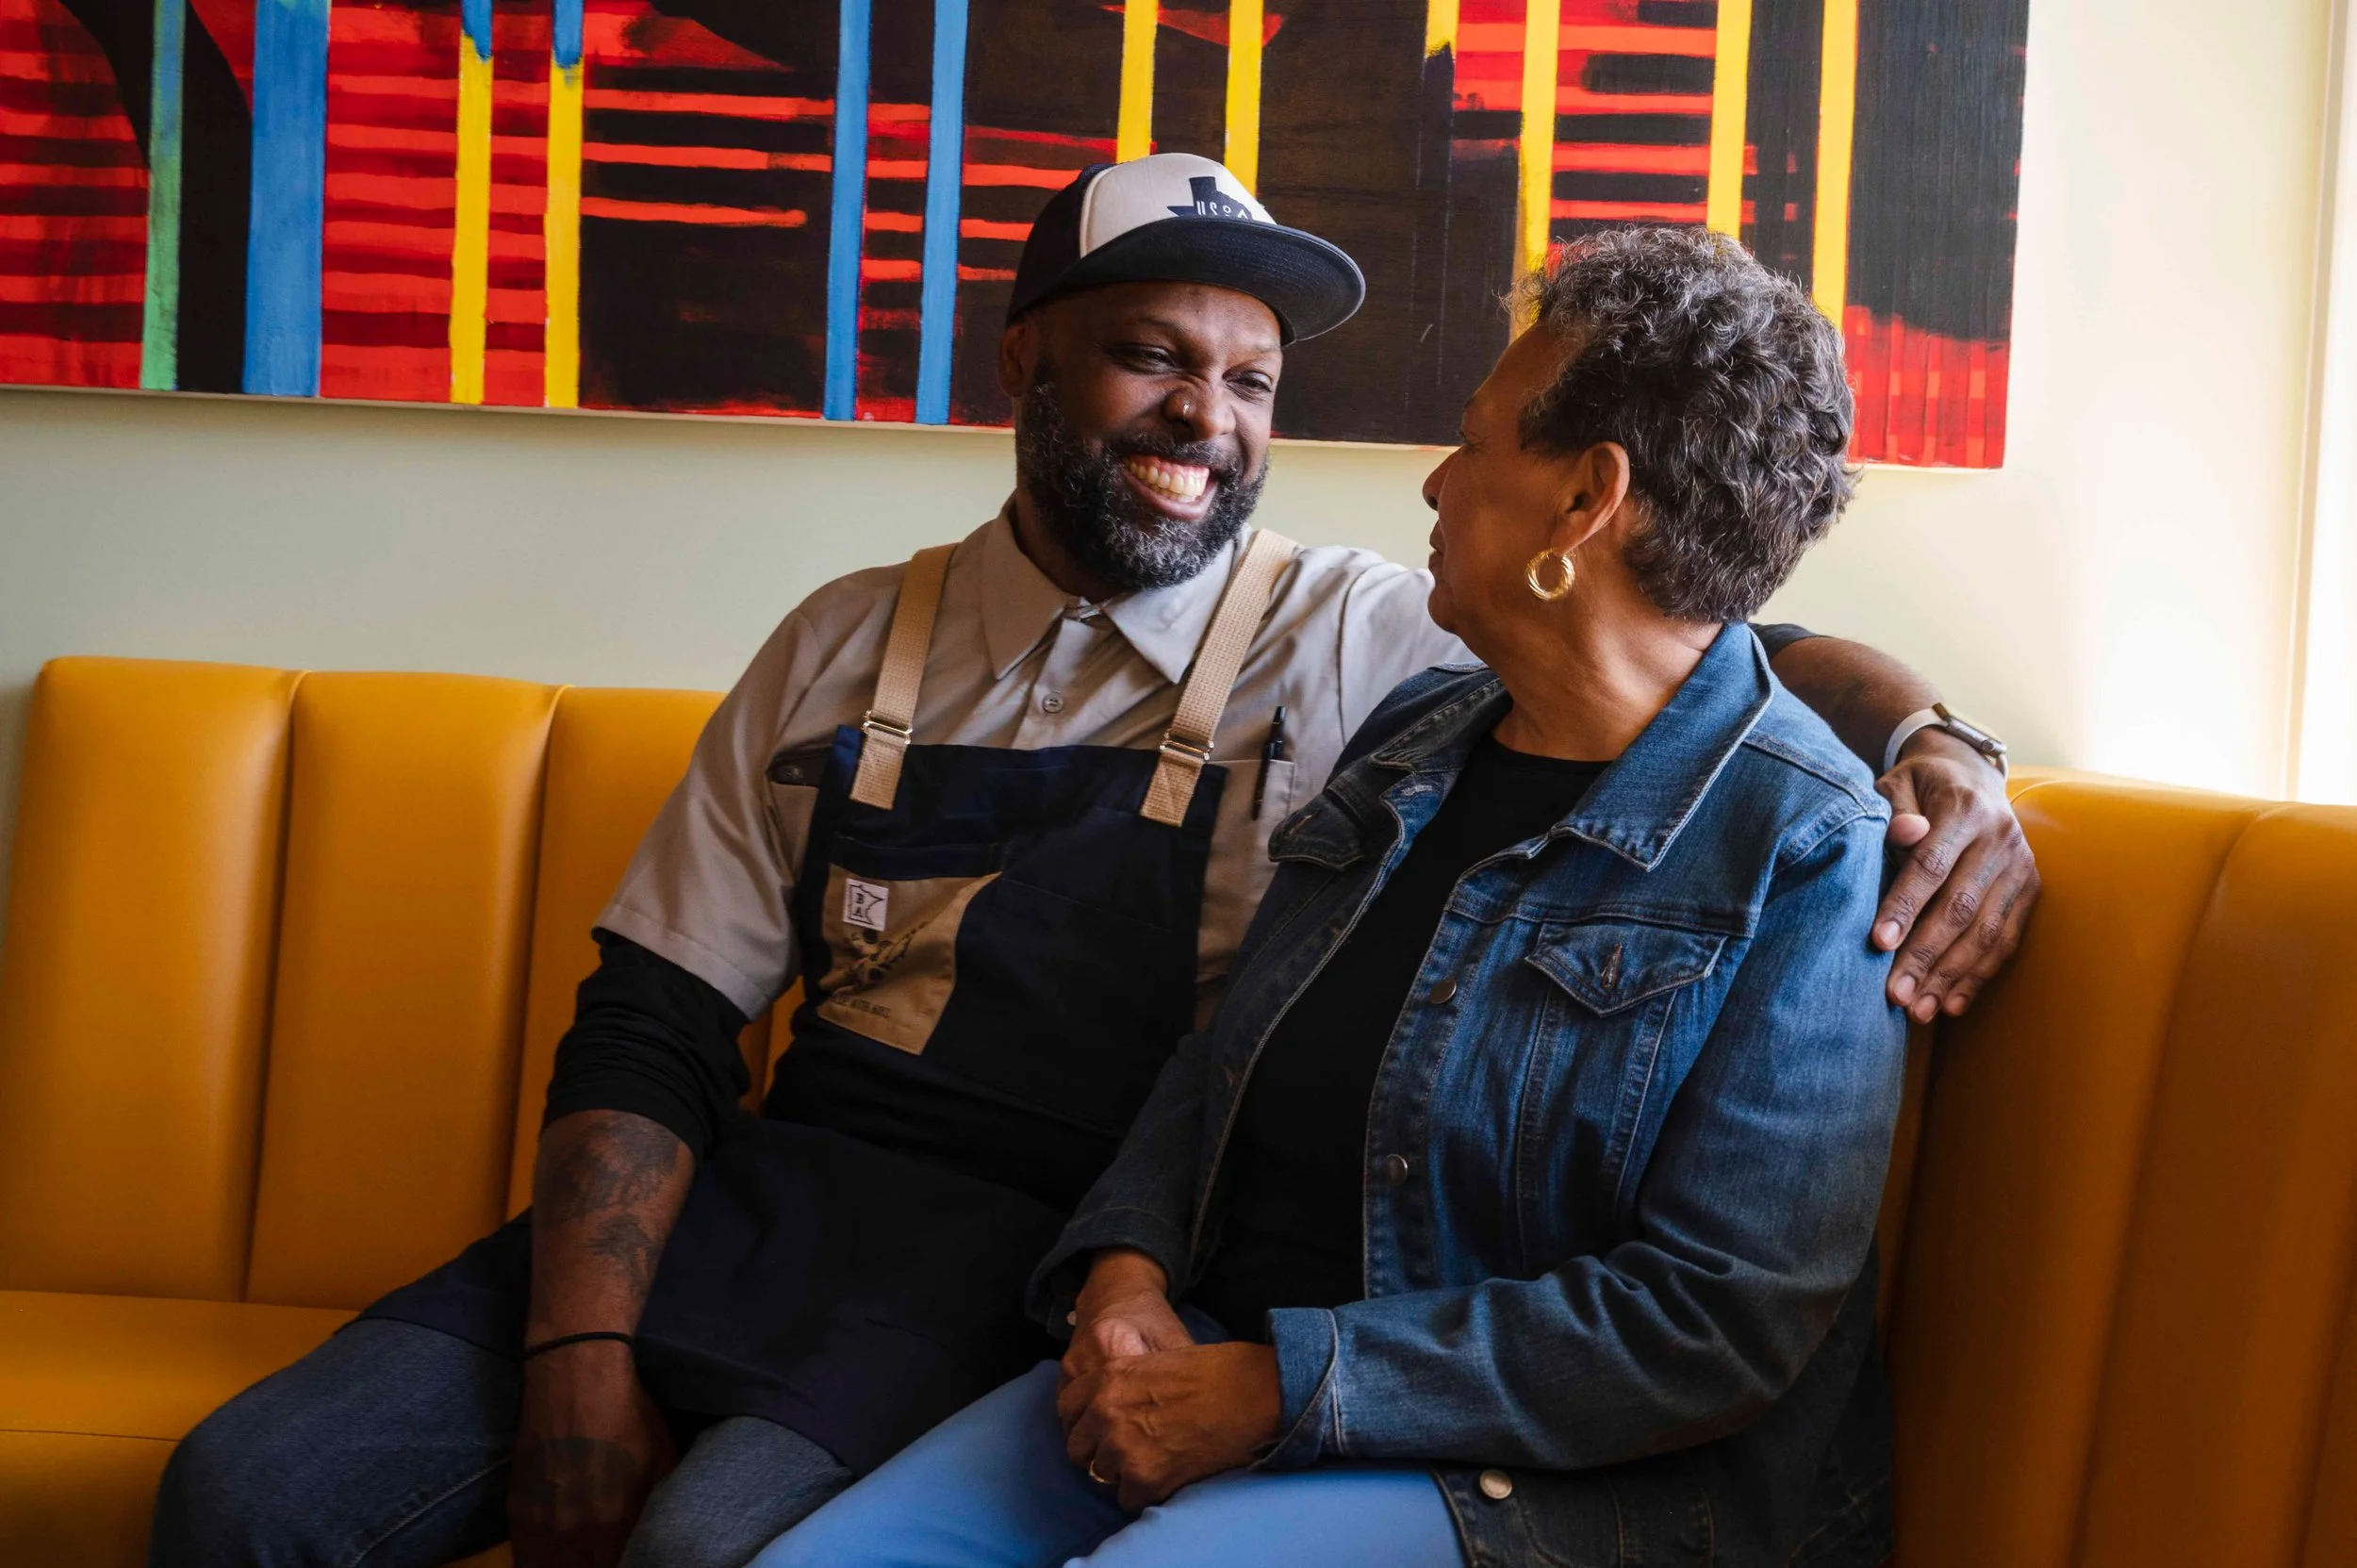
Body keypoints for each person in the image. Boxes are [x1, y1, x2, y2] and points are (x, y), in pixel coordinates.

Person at [151, 159, 2020, 1568]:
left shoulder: (1365, 643)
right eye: (1151, 353)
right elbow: (653, 1025)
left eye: (1252, 375)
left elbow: (1709, 660)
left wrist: (1935, 742)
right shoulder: (860, 645)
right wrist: (585, 1348)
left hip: (1020, 1276)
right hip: (831, 1219)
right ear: (1029, 348)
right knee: (238, 1498)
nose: (1212, 418)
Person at [755, 223, 1904, 1568]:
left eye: (1473, 446)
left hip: (1525, 1484)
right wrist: (1121, 1277)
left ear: (1585, 501)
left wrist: (1275, 1388)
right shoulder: (1415, 735)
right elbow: (1219, 1066)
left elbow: (1712, 1325)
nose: (1433, 482)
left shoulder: (1806, 846)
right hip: (1216, 1370)